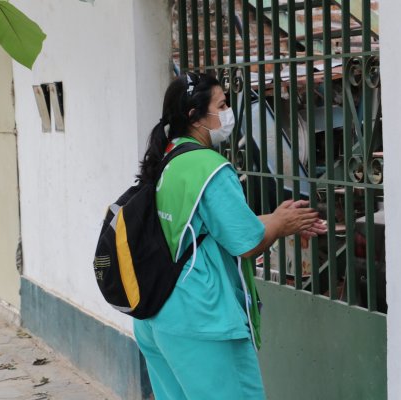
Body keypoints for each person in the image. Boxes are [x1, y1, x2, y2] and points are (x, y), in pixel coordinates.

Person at [133, 72, 326, 400]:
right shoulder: (209, 167)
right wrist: (279, 223)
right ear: (195, 116)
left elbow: (211, 227)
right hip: (202, 320)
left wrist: (284, 219)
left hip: (156, 316)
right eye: (221, 105)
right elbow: (247, 242)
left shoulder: (168, 158)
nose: (227, 112)